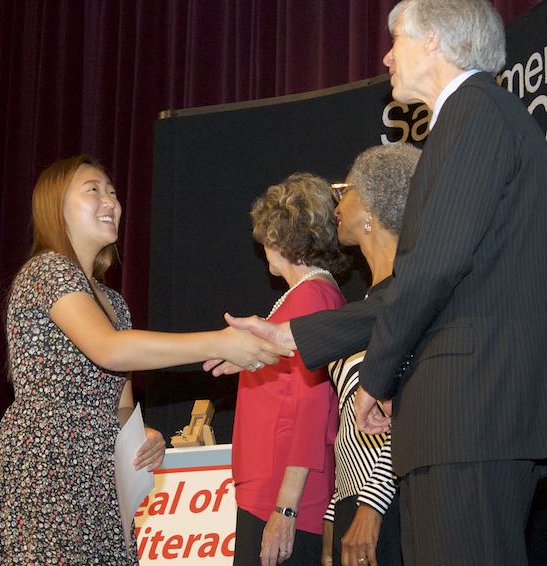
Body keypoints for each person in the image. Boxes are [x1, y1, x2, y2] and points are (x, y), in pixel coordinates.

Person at [211, 1, 547, 564]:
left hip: (469, 413)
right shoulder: (477, 119)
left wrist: (377, 375)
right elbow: (418, 280)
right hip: (464, 419)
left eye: (398, 40)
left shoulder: (474, 113)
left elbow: (432, 269)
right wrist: (293, 338)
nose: (387, 56)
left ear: (436, 41)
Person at [0, 155, 292, 565]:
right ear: (56, 207)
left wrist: (142, 434)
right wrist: (219, 343)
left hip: (100, 483)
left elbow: (120, 402)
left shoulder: (115, 303)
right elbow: (109, 348)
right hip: (46, 472)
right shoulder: (48, 271)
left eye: (112, 191)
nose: (111, 200)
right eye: (92, 189)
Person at [232, 173, 348, 566]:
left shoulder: (312, 298)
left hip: (281, 493)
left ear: (278, 238)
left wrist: (285, 509)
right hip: (272, 489)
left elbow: (312, 411)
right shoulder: (310, 295)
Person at [323, 143, 420, 566]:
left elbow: (409, 407)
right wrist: (334, 512)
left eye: (344, 189)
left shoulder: (405, 296)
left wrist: (372, 506)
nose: (337, 202)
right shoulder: (367, 302)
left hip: (389, 503)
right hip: (355, 503)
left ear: (371, 206)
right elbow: (350, 425)